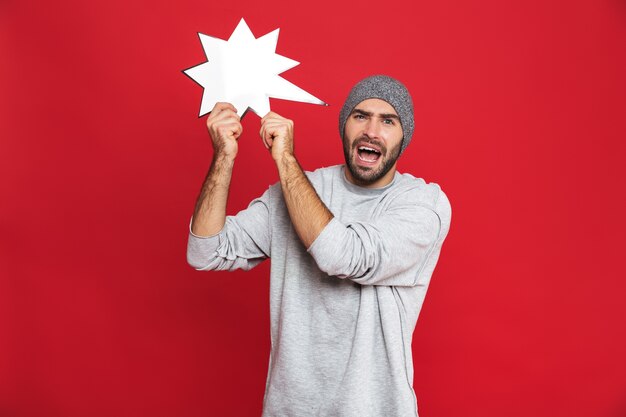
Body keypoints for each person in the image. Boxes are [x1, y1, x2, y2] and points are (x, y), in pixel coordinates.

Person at [187, 75, 451, 417]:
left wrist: (285, 161)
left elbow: (343, 255)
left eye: (388, 121)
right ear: (344, 125)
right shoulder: (294, 190)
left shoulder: (423, 204)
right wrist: (224, 155)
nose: (372, 130)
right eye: (360, 116)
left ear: (405, 136)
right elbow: (205, 251)